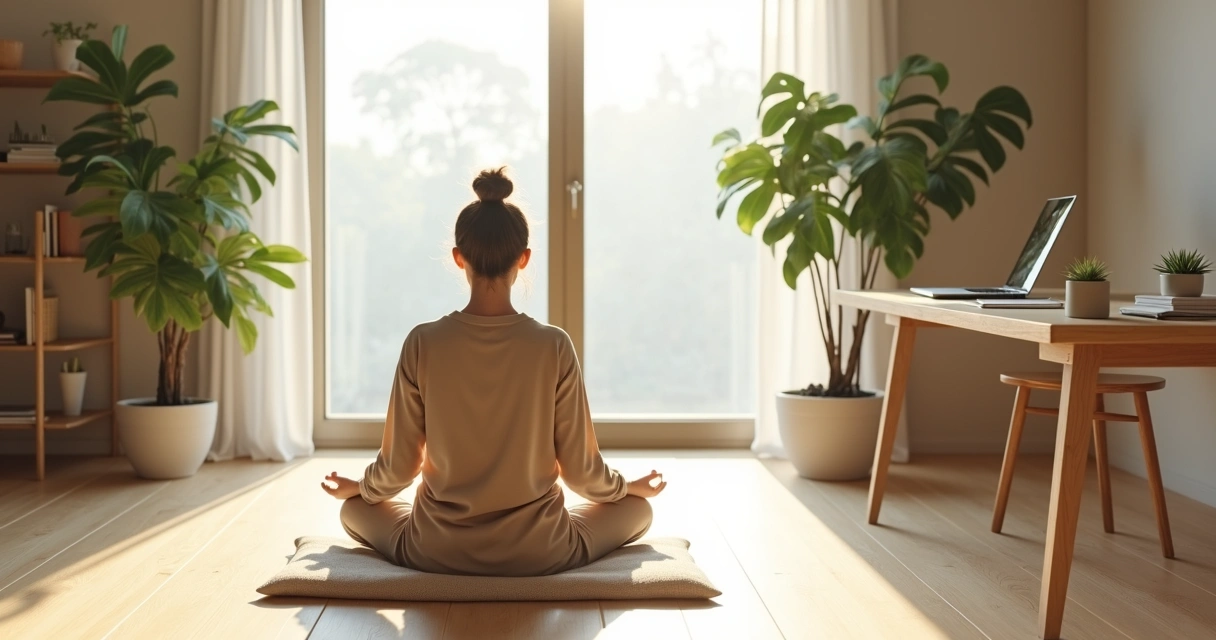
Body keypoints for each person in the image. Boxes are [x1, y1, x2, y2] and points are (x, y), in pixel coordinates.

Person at [320, 167, 666, 577]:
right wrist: (627, 489)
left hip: (435, 549)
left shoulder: (422, 343)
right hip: (542, 550)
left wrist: (361, 489)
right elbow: (582, 474)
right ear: (524, 257)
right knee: (639, 511)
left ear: (458, 257)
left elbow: (399, 470)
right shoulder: (554, 345)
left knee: (354, 510)